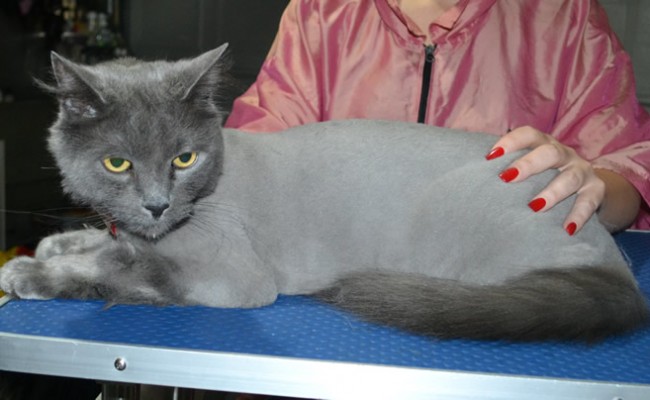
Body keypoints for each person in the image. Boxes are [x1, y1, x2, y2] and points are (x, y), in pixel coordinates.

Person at [225, 0, 650, 235]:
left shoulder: (566, 17)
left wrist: (592, 190)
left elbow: (627, 169)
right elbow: (256, 153)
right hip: (332, 289)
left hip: (503, 296)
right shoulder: (318, 12)